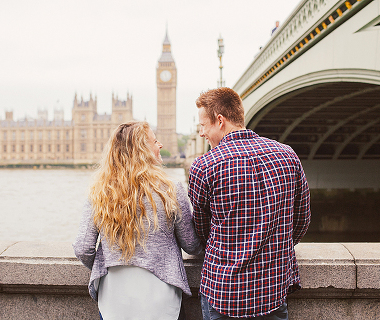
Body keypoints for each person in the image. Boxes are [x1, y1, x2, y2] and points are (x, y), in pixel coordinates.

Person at [188, 87, 311, 320]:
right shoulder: (287, 155)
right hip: (272, 291)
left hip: (223, 294)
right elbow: (302, 219)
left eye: (203, 125)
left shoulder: (204, 166)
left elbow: (203, 231)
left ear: (220, 121)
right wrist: (273, 247)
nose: (201, 133)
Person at [74, 121, 202, 320]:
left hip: (114, 299)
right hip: (162, 297)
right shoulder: (171, 190)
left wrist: (110, 260)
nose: (160, 145)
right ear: (141, 149)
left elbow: (83, 247)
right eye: (155, 141)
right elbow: (191, 245)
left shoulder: (99, 192)